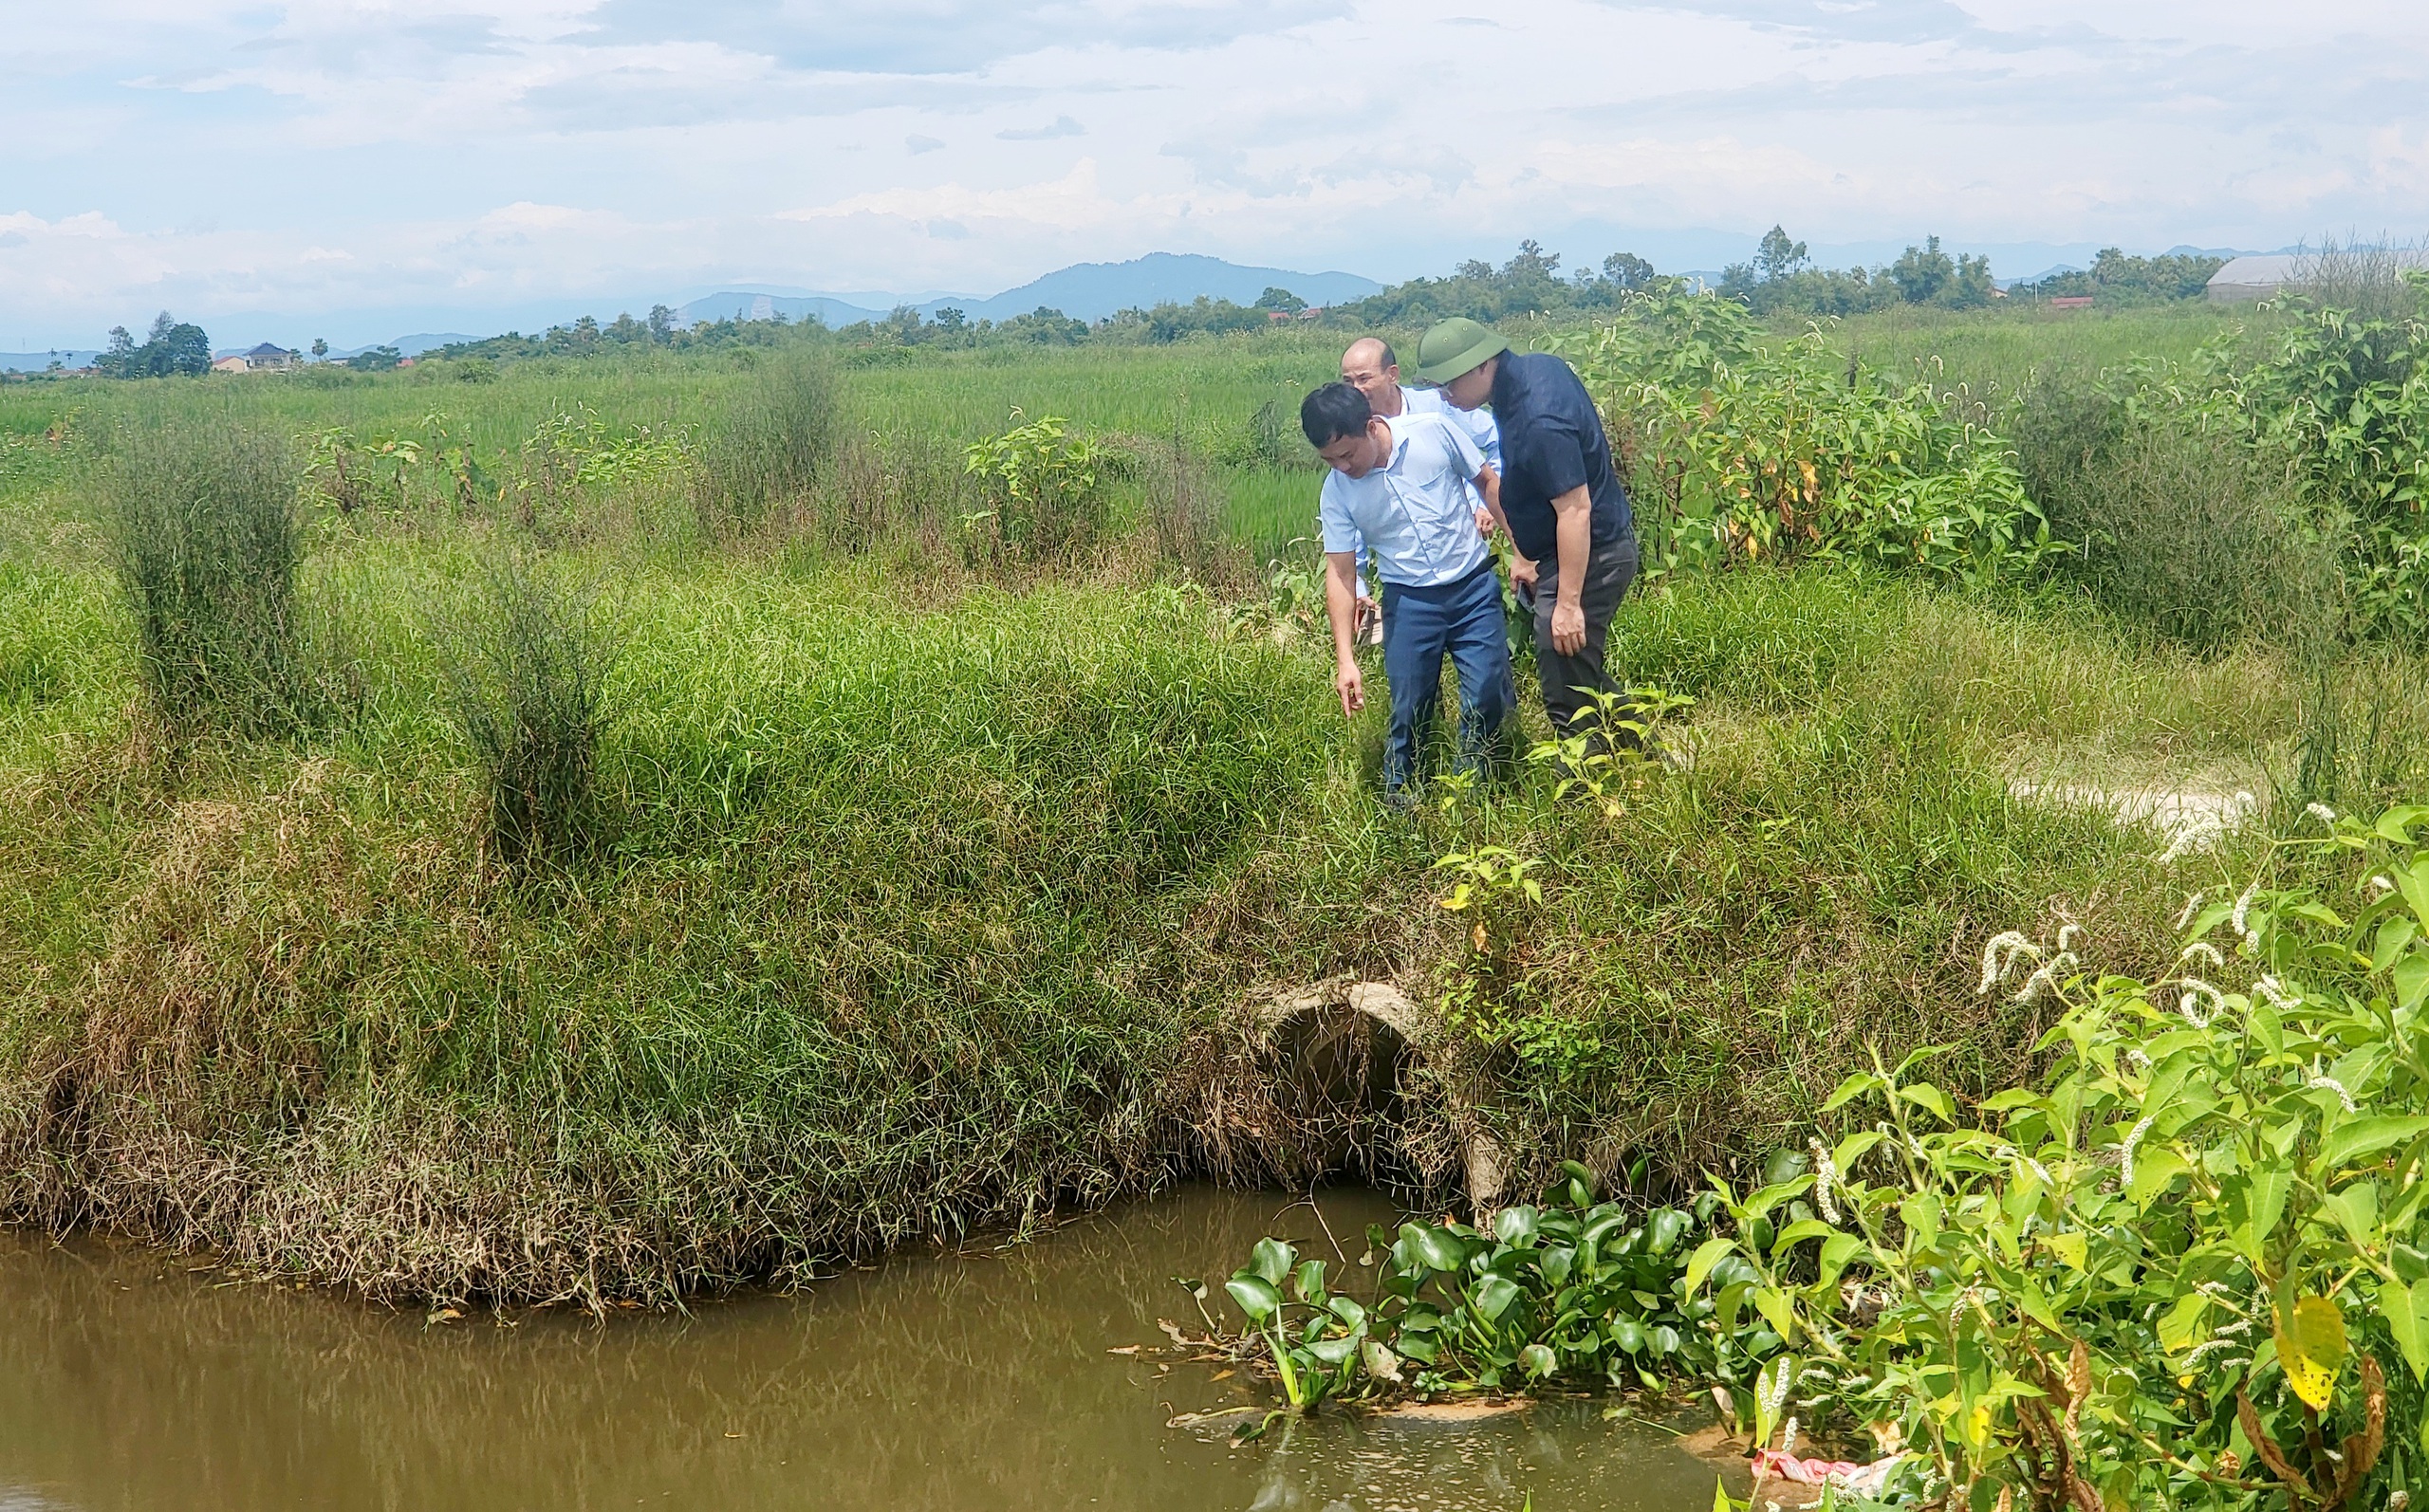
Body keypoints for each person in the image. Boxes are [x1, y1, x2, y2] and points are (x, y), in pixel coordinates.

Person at [1415, 317, 1638, 746]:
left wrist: (1569, 603)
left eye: (1450, 384)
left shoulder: (1538, 417)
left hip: (1592, 555)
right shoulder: (1536, 369)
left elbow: (1574, 510)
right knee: (1577, 669)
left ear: (1483, 365)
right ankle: (1645, 755)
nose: (1445, 395)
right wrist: (1528, 556)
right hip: (1572, 550)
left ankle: (1584, 796)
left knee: (1565, 690)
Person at [1301, 381, 1515, 800]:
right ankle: (1400, 802)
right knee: (1409, 708)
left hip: (1472, 587)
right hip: (1411, 601)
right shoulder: (1337, 492)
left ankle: (1470, 795)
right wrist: (1345, 660)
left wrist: (1522, 551)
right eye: (1330, 460)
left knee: (1487, 692)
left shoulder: (1433, 431)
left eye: (1347, 454)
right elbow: (1342, 574)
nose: (1342, 467)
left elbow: (1487, 482)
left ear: (1371, 426)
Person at [1334, 337, 1504, 646]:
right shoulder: (1349, 438)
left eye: (1364, 379)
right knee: (1416, 687)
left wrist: (1483, 505)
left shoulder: (1437, 409)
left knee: (1485, 682)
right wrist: (1359, 587)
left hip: (1466, 566)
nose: (1355, 389)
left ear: (1392, 374)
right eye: (1347, 381)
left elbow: (1494, 440)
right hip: (1408, 587)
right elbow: (1354, 509)